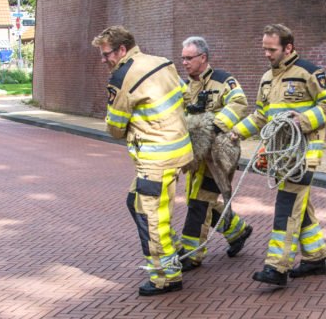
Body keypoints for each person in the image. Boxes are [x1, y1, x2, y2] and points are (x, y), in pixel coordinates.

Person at [230, 24, 326, 287]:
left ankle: (277, 268)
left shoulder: (310, 72)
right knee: (300, 209)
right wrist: (235, 132)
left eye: (272, 49)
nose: (267, 54)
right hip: (280, 158)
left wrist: (301, 120)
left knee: (286, 208)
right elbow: (260, 115)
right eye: (264, 49)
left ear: (288, 47)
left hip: (303, 156)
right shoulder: (267, 78)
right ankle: (315, 258)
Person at [95, 26, 194, 296]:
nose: (104, 60)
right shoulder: (163, 63)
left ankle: (166, 277)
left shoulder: (121, 77)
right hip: (179, 153)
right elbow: (185, 97)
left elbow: (115, 127)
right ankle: (174, 253)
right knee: (134, 201)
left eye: (106, 55)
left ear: (122, 50)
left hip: (155, 160)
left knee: (152, 218)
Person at [178, 36, 254, 271]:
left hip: (219, 156)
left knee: (199, 200)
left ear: (203, 58)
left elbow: (240, 104)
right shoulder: (184, 86)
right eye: (182, 58)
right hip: (196, 158)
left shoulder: (223, 80)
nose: (184, 63)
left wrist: (211, 126)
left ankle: (191, 253)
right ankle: (237, 230)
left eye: (189, 58)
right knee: (202, 198)